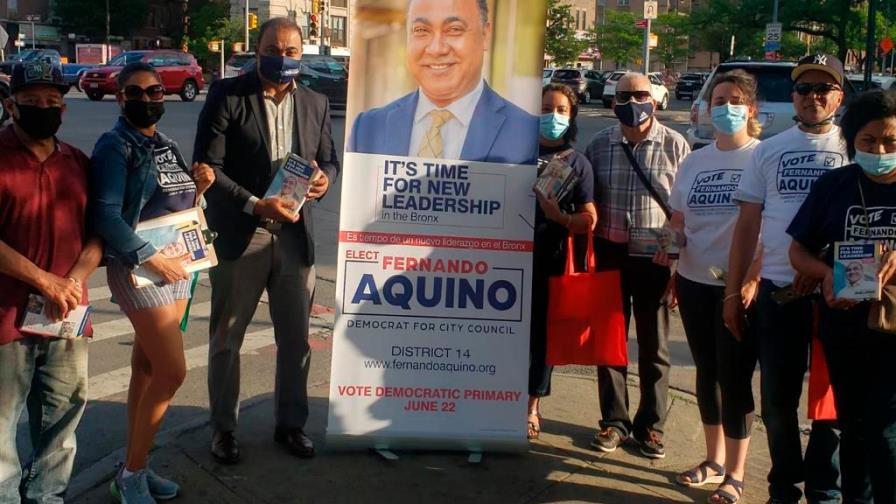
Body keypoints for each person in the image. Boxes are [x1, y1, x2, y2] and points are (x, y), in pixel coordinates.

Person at [193, 17, 339, 463]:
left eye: (292, 50)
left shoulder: (314, 101)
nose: (283, 57)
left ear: (302, 54)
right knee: (228, 338)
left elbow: (329, 160)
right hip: (244, 233)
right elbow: (207, 167)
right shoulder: (227, 95)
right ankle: (224, 430)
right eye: (274, 48)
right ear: (257, 51)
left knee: (296, 340)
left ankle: (291, 426)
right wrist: (257, 205)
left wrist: (323, 183)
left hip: (295, 237)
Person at [90, 62, 215, 503]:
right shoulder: (114, 145)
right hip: (141, 271)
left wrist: (200, 186)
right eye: (136, 93)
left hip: (177, 267)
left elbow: (171, 203)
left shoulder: (165, 143)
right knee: (172, 371)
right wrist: (151, 257)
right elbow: (105, 214)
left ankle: (134, 466)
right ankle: (132, 473)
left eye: (154, 92)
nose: (147, 100)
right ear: (121, 98)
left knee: (146, 370)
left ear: (165, 94)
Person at [724, 54, 847, 503]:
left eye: (823, 89)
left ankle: (823, 485)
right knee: (777, 400)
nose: (813, 97)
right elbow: (746, 228)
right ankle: (784, 483)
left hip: (841, 290)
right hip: (779, 290)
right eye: (804, 89)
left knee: (830, 406)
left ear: (840, 95)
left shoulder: (856, 148)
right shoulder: (770, 150)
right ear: (792, 97)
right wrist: (733, 293)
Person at [0, 60, 102, 504]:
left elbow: (99, 232)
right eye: (33, 101)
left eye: (53, 102)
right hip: (5, 320)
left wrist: (72, 282)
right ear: (11, 105)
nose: (45, 108)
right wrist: (45, 281)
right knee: (1, 427)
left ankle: (47, 496)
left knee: (63, 419)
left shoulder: (76, 161)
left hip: (67, 318)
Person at [659, 70, 762, 503]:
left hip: (739, 287)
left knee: (735, 376)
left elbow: (772, 230)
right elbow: (678, 221)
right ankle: (713, 459)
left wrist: (750, 279)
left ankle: (735, 474)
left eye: (734, 100)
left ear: (751, 110)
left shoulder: (763, 157)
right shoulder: (694, 161)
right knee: (707, 373)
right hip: (694, 281)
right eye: (718, 100)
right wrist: (670, 256)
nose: (725, 108)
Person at [788, 89, 896, 502]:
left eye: (890, 141)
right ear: (852, 141)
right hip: (844, 325)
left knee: (885, 430)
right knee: (851, 425)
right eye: (868, 141)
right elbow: (796, 251)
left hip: (893, 329)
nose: (880, 150)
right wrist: (826, 276)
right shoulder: (835, 185)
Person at [585, 72, 690, 459]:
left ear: (655, 98)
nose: (633, 102)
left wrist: (676, 256)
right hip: (610, 253)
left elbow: (685, 210)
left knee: (654, 346)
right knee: (610, 343)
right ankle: (614, 422)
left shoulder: (676, 145)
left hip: (655, 258)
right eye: (625, 96)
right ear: (613, 103)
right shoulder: (598, 145)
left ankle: (650, 427)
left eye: (641, 94)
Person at [346, 0, 538, 165]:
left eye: (454, 29)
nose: (436, 49)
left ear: (485, 35)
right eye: (421, 30)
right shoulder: (367, 129)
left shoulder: (526, 133)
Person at [527, 83, 597, 439]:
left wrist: (561, 218)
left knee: (542, 336)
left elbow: (589, 218)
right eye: (545, 107)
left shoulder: (577, 163)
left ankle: (531, 408)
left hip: (550, 262)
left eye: (560, 110)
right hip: (503, 260)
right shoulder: (513, 151)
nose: (551, 116)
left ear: (571, 117)